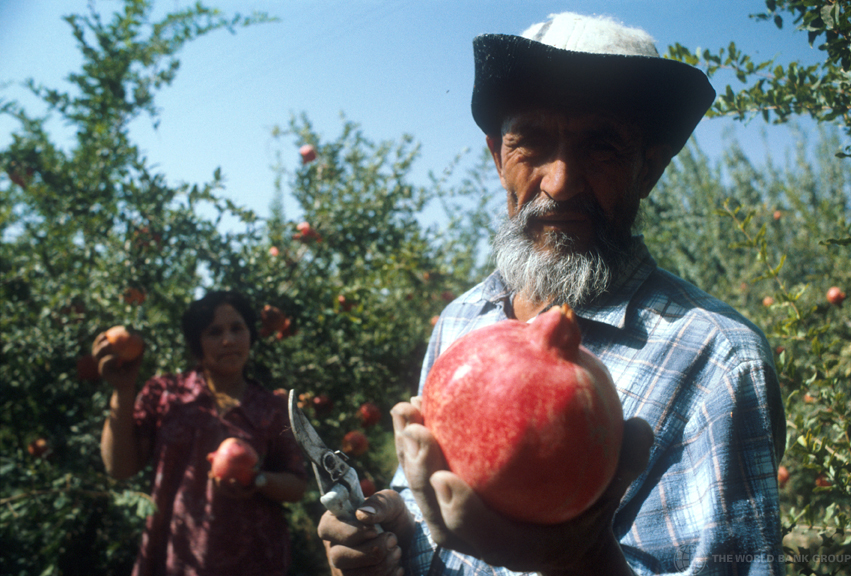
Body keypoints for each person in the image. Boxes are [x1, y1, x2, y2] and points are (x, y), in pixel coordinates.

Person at [317, 11, 786, 576]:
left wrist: (580, 558)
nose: (560, 182)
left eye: (601, 147)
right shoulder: (463, 322)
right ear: (498, 158)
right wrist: (388, 535)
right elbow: (428, 509)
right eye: (531, 143)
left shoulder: (719, 360)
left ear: (649, 171)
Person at [96, 290, 308, 576]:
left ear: (251, 334)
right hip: (175, 557)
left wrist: (257, 479)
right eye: (213, 332)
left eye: (237, 328)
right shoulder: (166, 394)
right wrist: (122, 390)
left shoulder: (273, 408)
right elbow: (120, 468)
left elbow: (297, 485)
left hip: (254, 561)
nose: (228, 340)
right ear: (197, 343)